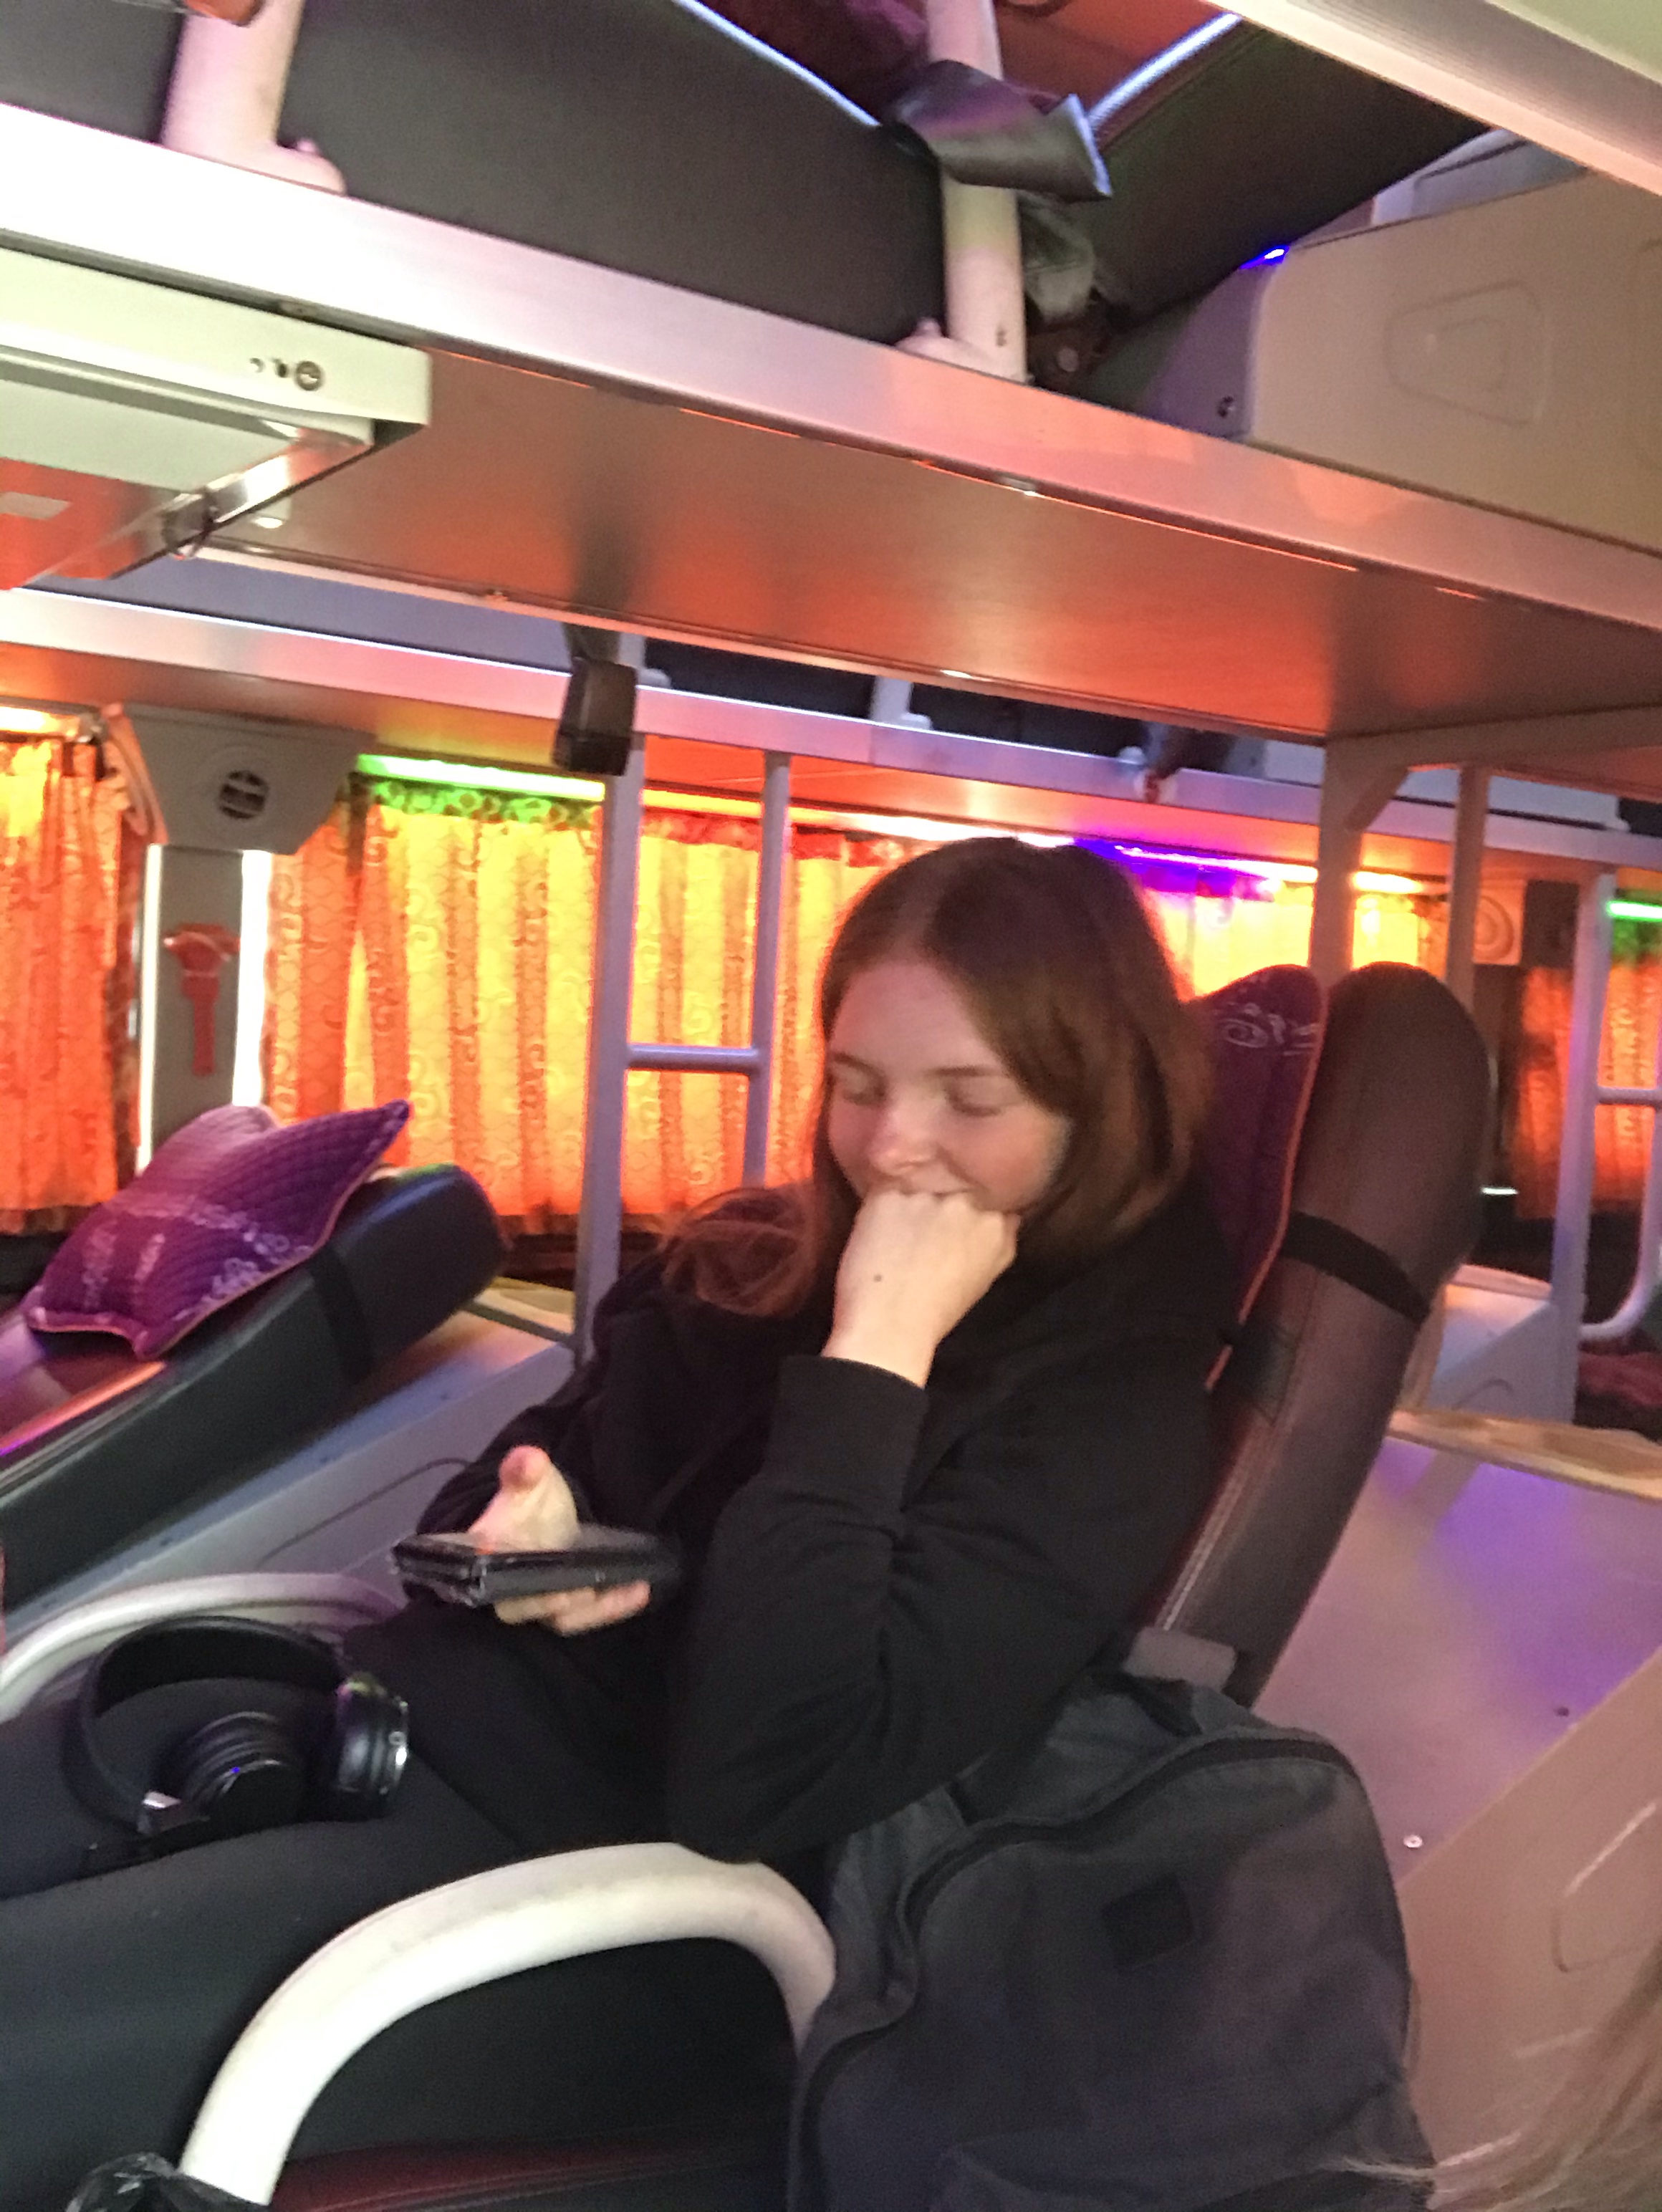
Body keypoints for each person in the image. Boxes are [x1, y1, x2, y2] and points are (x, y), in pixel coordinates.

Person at [0, 838, 1231, 2209]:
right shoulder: (747, 1271)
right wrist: (532, 1525)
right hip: (396, 1736)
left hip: (606, 1905)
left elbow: (759, 1780)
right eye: (857, 1085)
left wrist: (878, 1358)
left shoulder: (1102, 1419)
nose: (892, 1146)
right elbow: (470, 1511)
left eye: (969, 1098)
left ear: (1097, 1109)